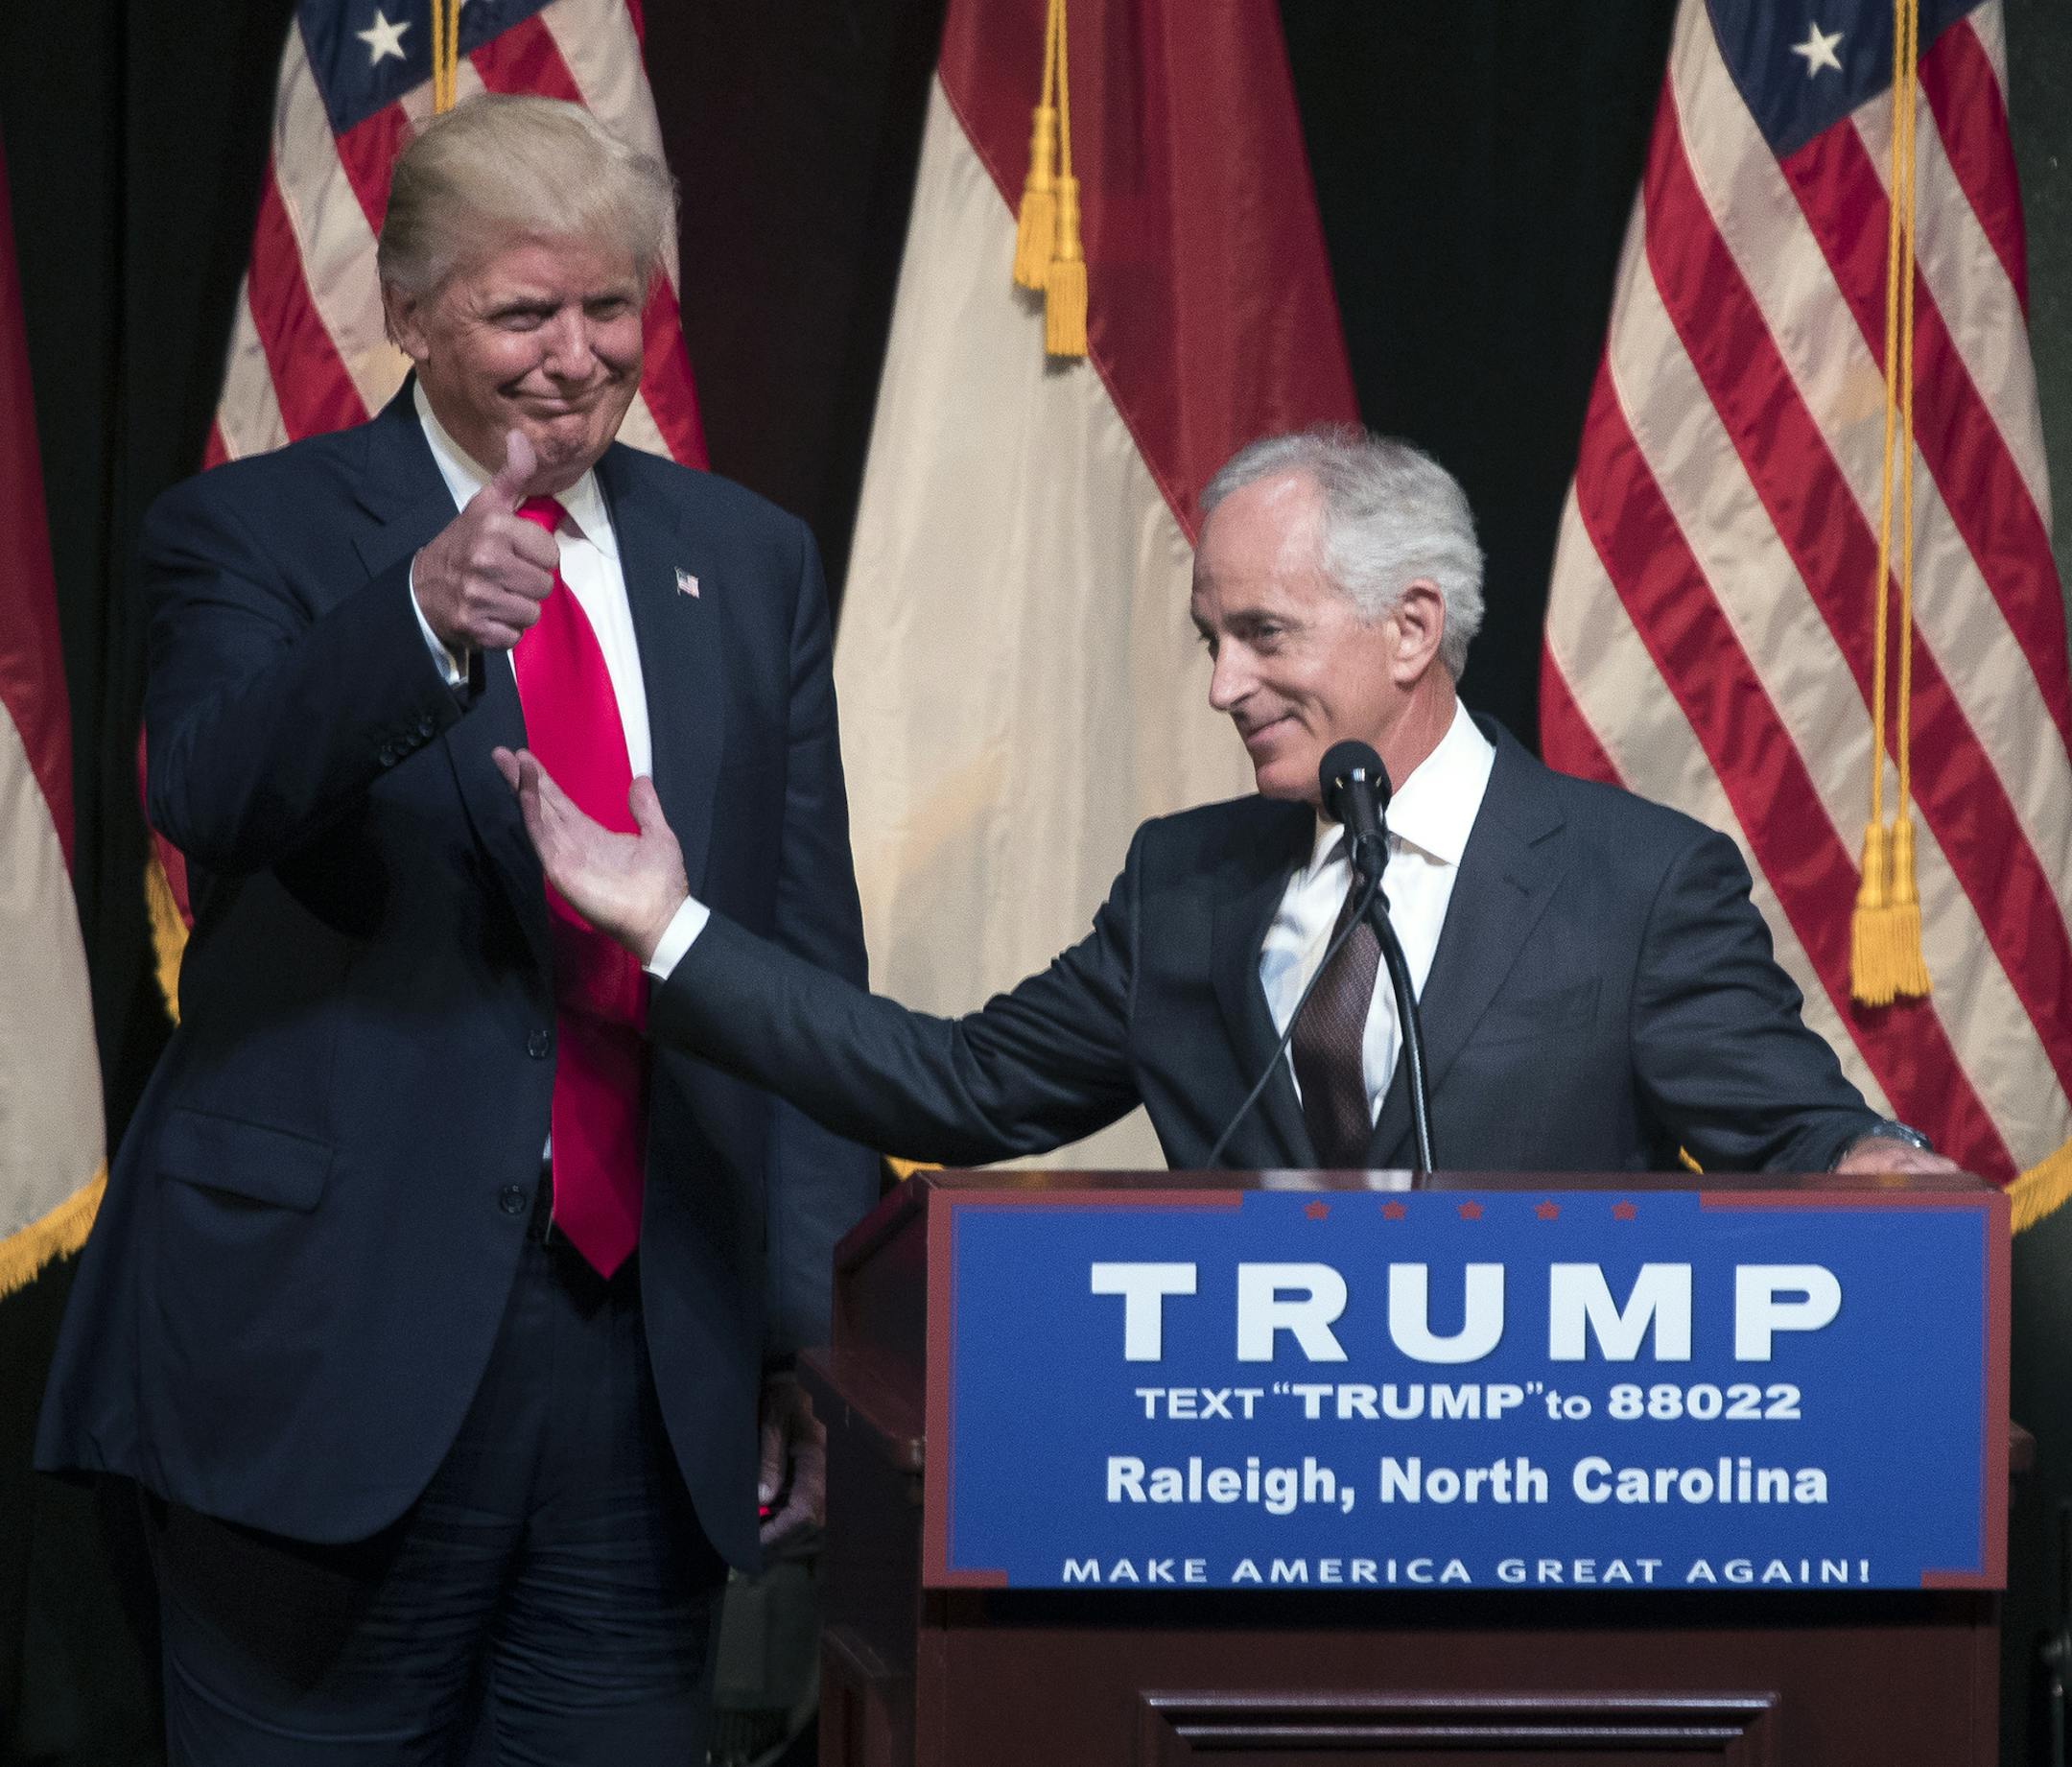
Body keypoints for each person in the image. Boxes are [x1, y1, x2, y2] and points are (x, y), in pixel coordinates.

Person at [35, 95, 877, 1764]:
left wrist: (805, 1337)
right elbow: (210, 786)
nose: (577, 355)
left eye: (613, 307)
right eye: (522, 312)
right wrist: (411, 620)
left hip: (647, 1372)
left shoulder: (746, 556)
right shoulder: (253, 529)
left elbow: (796, 946)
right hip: (321, 1347)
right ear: (410, 316)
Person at [497, 427, 1954, 1182]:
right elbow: (952, 1088)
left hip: (1535, 1535)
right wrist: (671, 927)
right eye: (1211, 639)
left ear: (1409, 627)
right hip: (1235, 1522)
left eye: (1263, 634)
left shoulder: (1637, 885)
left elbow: (1795, 1131)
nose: (1222, 686)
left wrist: (1874, 1165)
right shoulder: (1187, 883)